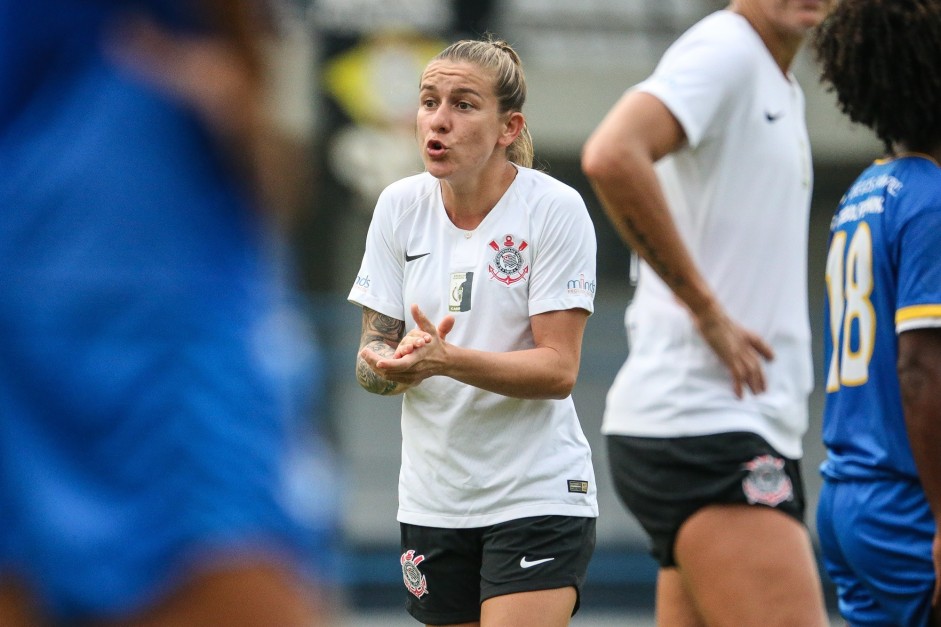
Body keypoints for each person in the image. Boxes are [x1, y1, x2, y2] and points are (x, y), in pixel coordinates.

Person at [0, 1, 336, 625]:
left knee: (232, 569)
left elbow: (276, 164)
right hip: (33, 305)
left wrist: (237, 100)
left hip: (174, 315)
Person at [581, 1, 831, 625]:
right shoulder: (727, 50)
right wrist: (706, 309)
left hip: (719, 424)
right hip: (707, 427)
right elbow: (612, 153)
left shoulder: (777, 81)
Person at [349, 37, 598, 627]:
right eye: (429, 100)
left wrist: (445, 359)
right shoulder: (397, 208)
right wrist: (390, 365)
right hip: (433, 501)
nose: (439, 120)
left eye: (463, 104)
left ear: (508, 127)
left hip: (536, 495)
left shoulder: (553, 209)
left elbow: (558, 370)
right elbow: (371, 352)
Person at [812, 1, 941, 625]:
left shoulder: (864, 191)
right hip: (909, 504)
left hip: (846, 494)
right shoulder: (932, 199)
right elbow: (919, 371)